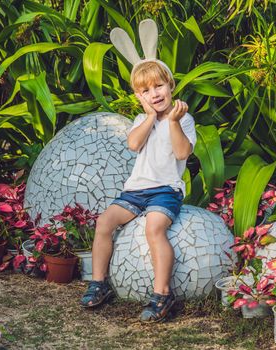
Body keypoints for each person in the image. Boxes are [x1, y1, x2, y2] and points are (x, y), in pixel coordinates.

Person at [79, 57, 197, 323]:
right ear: (138, 97)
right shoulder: (140, 120)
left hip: (166, 190)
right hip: (136, 190)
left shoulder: (183, 119)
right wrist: (150, 116)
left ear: (170, 86)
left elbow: (181, 152)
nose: (154, 94)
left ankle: (162, 294)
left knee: (154, 228)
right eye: (146, 90)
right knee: (104, 222)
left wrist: (173, 122)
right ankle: (99, 283)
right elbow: (133, 144)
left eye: (159, 86)